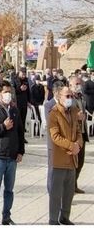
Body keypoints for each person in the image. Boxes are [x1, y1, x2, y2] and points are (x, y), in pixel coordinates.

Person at [0, 84, 25, 225]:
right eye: (6, 92)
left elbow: (20, 131)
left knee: (9, 190)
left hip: (12, 157)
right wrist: (3, 126)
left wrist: (21, 151)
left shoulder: (14, 110)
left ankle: (6, 216)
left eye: (10, 92)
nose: (9, 95)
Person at [48, 86, 83, 225]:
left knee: (69, 192)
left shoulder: (74, 111)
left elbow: (79, 131)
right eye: (67, 96)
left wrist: (78, 145)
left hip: (72, 157)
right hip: (60, 158)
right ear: (60, 96)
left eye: (71, 96)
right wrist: (71, 146)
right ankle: (53, 219)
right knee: (56, 193)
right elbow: (55, 136)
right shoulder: (54, 113)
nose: (70, 99)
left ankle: (65, 216)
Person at [69, 76, 89, 194]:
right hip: (73, 134)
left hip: (82, 133)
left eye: (79, 83)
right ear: (70, 85)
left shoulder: (81, 97)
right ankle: (70, 187)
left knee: (80, 162)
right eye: (76, 83)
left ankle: (74, 184)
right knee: (73, 162)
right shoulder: (68, 98)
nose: (78, 85)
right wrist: (76, 117)